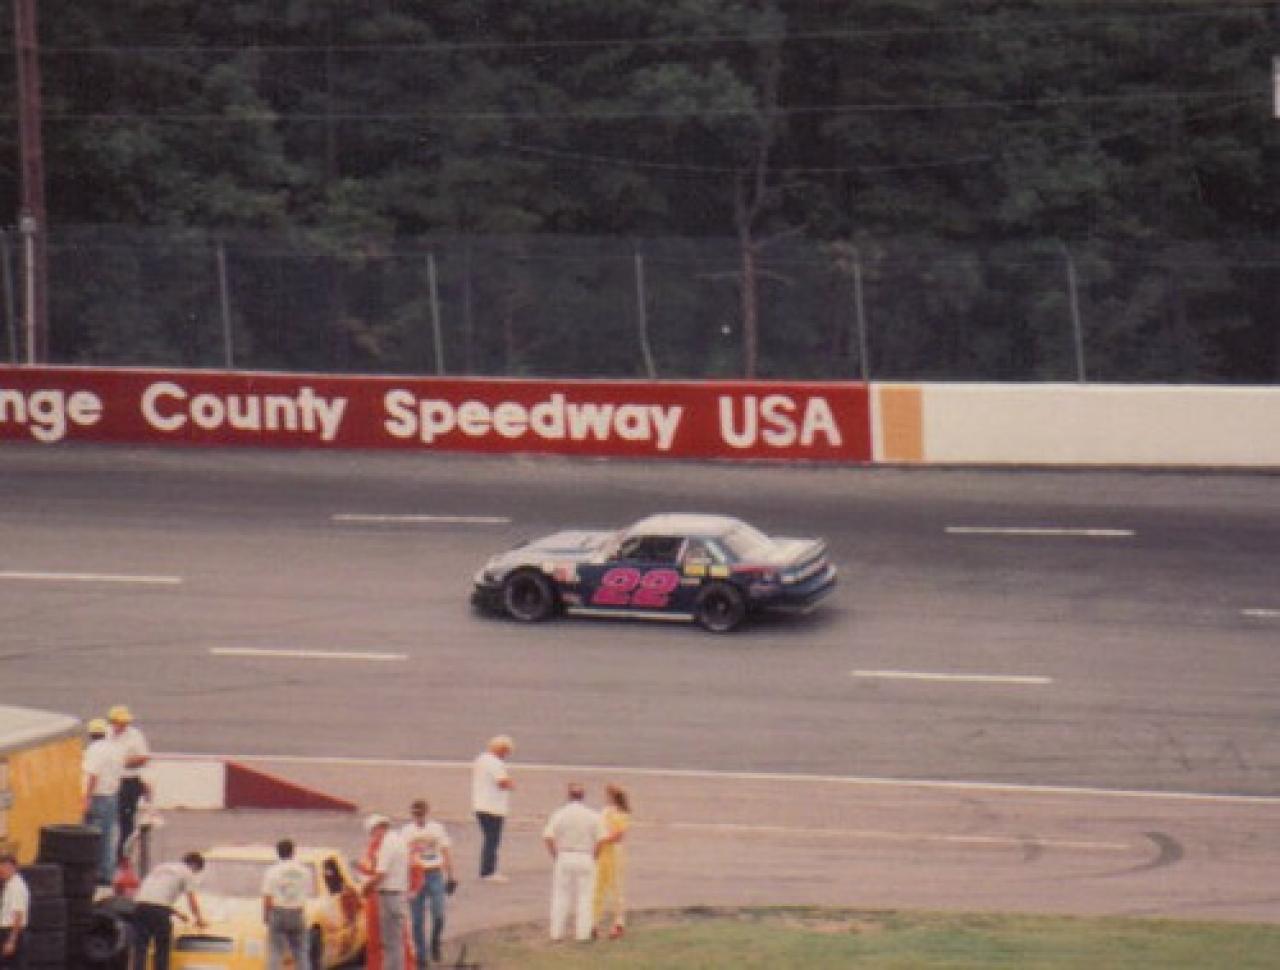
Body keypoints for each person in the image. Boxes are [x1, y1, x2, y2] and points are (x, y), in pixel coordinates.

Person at [542, 782, 606, 944]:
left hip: (565, 855)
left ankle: (556, 933)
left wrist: (555, 854)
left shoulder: (560, 814)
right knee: (586, 896)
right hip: (585, 855)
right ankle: (582, 933)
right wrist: (595, 855)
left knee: (561, 895)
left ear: (569, 796)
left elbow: (548, 836)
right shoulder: (592, 815)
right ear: (583, 796)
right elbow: (601, 839)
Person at [401, 799, 456, 967]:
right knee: (417, 919)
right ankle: (421, 955)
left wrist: (451, 876)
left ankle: (435, 941)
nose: (419, 817)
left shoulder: (436, 829)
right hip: (415, 874)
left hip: (434, 873)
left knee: (439, 913)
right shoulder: (406, 831)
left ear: (427, 813)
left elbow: (446, 851)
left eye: (421, 814)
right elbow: (401, 857)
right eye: (415, 814)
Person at [132, 852, 206, 970]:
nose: (195, 874)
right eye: (197, 871)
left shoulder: (161, 867)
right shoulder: (187, 872)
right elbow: (191, 899)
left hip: (140, 907)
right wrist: (199, 919)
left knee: (140, 948)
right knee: (162, 947)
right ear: (195, 865)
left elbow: (155, 896)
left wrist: (177, 913)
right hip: (159, 911)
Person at [361, 814, 410, 970]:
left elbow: (381, 873)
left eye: (373, 832)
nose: (373, 837)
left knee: (390, 942)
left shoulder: (387, 844)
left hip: (389, 895)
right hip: (398, 893)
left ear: (378, 828)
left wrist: (366, 888)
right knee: (396, 941)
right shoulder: (399, 840)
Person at [82, 717, 125, 885]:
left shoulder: (94, 750)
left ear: (91, 734)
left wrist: (86, 797)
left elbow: (93, 774)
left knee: (94, 837)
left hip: (98, 796)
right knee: (108, 837)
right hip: (112, 796)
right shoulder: (115, 749)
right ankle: (107, 872)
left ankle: (98, 873)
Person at [107, 704, 150, 862]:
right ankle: (108, 853)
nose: (123, 725)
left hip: (129, 781)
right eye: (119, 722)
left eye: (125, 722)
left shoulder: (135, 735)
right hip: (111, 781)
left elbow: (143, 758)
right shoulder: (106, 734)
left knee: (126, 819)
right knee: (109, 818)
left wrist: (122, 762)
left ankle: (123, 853)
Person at [471, 735, 515, 882]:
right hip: (493, 807)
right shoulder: (495, 763)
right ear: (501, 749)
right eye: (506, 752)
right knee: (492, 839)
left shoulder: (481, 759)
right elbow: (502, 782)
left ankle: (487, 869)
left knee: (489, 838)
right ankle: (488, 871)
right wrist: (511, 784)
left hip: (480, 805)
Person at [262, 839, 310, 970]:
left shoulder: (272, 871)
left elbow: (268, 897)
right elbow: (306, 891)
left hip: (278, 911)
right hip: (297, 912)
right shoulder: (304, 871)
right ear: (293, 852)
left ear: (278, 853)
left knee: (275, 952)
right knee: (301, 952)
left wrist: (266, 916)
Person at [593, 783, 632, 940]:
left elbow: (618, 836)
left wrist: (602, 840)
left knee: (616, 888)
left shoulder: (622, 814)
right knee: (598, 887)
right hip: (603, 851)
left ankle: (619, 923)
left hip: (614, 852)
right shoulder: (604, 812)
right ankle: (593, 922)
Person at [0, 853, 29, 970]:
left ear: (11, 867)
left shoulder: (17, 887)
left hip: (12, 932)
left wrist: (11, 941)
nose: (1, 873)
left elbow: (19, 915)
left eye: (2, 869)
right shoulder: (9, 885)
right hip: (6, 931)